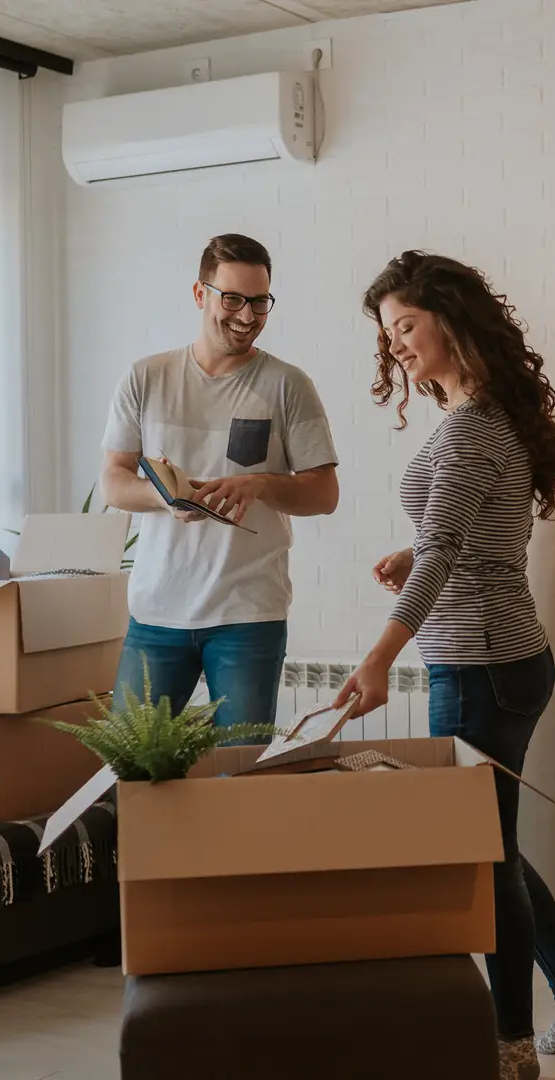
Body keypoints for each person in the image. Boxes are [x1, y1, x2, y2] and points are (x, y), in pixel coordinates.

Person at [333, 251, 555, 1080]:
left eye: (406, 327)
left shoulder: (473, 426)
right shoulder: (485, 419)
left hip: (480, 662)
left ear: (449, 320)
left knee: (477, 852)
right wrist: (408, 550)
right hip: (500, 654)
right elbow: (466, 535)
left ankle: (510, 1044)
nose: (398, 347)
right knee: (495, 844)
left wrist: (380, 657)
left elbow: (452, 545)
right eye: (389, 334)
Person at [99, 233, 338, 735]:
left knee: (239, 775)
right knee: (130, 766)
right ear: (199, 293)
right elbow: (114, 483)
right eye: (232, 299)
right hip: (157, 613)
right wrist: (167, 499)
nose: (247, 316)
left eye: (259, 302)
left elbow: (323, 494)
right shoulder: (147, 377)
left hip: (248, 615)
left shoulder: (288, 385)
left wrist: (261, 484)